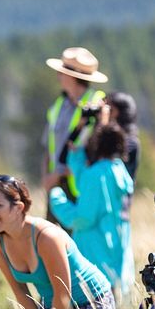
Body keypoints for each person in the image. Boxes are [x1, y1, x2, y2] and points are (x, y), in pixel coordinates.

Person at [0, 174, 115, 309]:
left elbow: (63, 294)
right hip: (52, 307)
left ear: (18, 208)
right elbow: (19, 292)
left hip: (91, 303)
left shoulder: (46, 237)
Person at [49, 124, 135, 296]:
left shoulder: (95, 175)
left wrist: (56, 198)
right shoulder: (120, 171)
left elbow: (82, 219)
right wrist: (76, 156)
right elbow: (85, 180)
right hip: (119, 259)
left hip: (96, 258)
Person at [42, 47, 108, 218]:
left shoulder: (97, 104)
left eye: (62, 73)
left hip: (82, 185)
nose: (58, 76)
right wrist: (48, 177)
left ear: (72, 77)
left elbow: (100, 144)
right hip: (56, 184)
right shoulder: (59, 104)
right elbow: (48, 146)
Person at [105, 91, 141, 181]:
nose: (106, 114)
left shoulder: (131, 141)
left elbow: (105, 157)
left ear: (122, 113)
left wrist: (102, 124)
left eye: (110, 110)